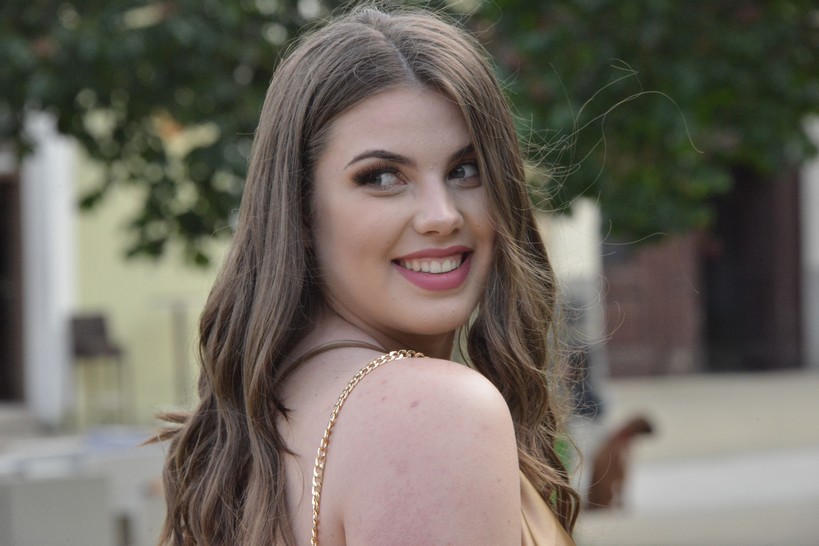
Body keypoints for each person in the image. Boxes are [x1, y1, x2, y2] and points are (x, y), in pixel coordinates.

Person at [156, 5, 579, 545]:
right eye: (381, 177)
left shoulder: (272, 415)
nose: (441, 215)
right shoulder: (431, 415)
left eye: (465, 169)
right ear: (299, 210)